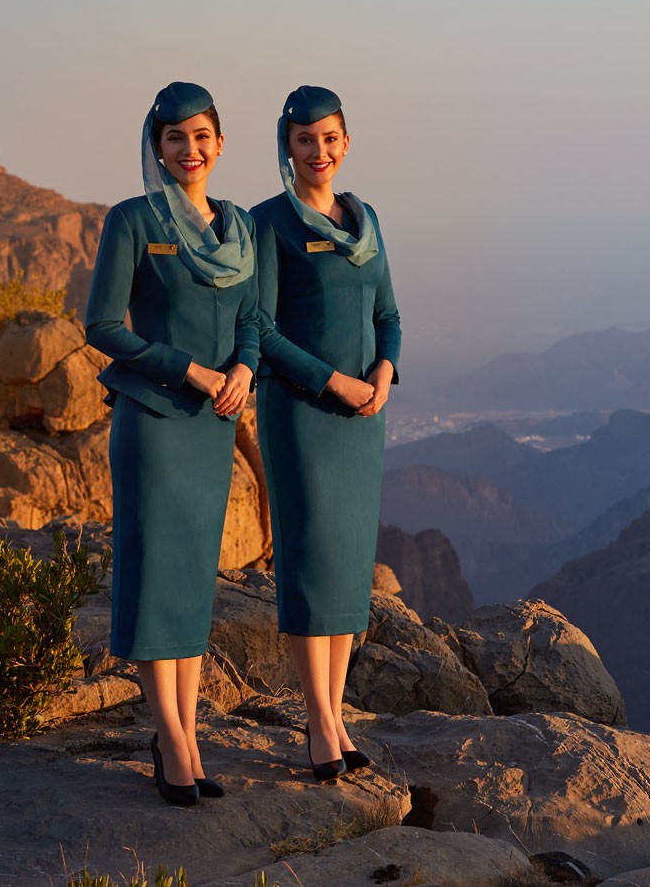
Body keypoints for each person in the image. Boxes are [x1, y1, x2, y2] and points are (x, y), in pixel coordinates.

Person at [85, 81, 260, 806]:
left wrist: (244, 369)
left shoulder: (240, 225)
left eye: (201, 136)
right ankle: (179, 744)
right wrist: (186, 367)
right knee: (156, 576)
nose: (189, 150)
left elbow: (252, 314)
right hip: (154, 421)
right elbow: (103, 328)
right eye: (173, 138)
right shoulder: (132, 220)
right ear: (156, 147)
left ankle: (177, 735)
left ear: (219, 143)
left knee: (193, 582)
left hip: (212, 425)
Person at [249, 85, 401, 782]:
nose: (319, 152)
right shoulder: (268, 223)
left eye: (330, 138)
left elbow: (388, 315)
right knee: (310, 565)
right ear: (288, 144)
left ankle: (335, 716)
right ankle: (317, 725)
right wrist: (333, 382)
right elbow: (262, 331)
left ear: (347, 142)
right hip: (304, 415)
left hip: (362, 420)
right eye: (305, 139)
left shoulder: (365, 220)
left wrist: (385, 371)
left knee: (344, 568)